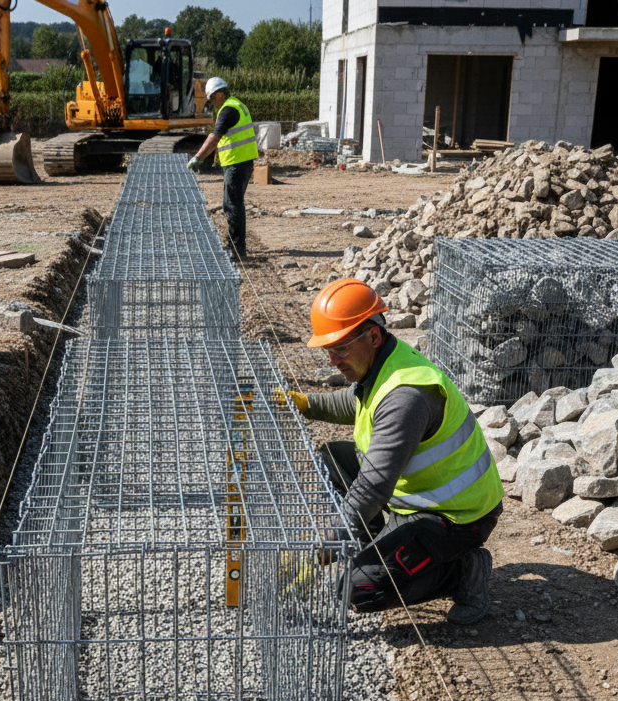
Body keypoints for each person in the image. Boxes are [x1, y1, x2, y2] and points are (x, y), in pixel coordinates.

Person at [280, 278, 504, 624]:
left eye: (340, 349)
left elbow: (372, 486)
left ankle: (464, 572)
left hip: (455, 517)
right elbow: (355, 403)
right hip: (416, 497)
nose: (331, 360)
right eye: (328, 350)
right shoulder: (383, 362)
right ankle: (382, 543)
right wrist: (307, 403)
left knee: (357, 590)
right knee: (334, 459)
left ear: (372, 336)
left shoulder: (406, 396)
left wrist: (324, 547)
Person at [187, 77, 258, 258]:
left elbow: (214, 138)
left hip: (237, 163)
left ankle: (237, 249)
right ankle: (235, 244)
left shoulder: (228, 109)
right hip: (241, 162)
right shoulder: (237, 104)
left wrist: (198, 157)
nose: (212, 103)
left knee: (233, 206)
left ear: (219, 94)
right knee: (231, 204)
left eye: (212, 98)